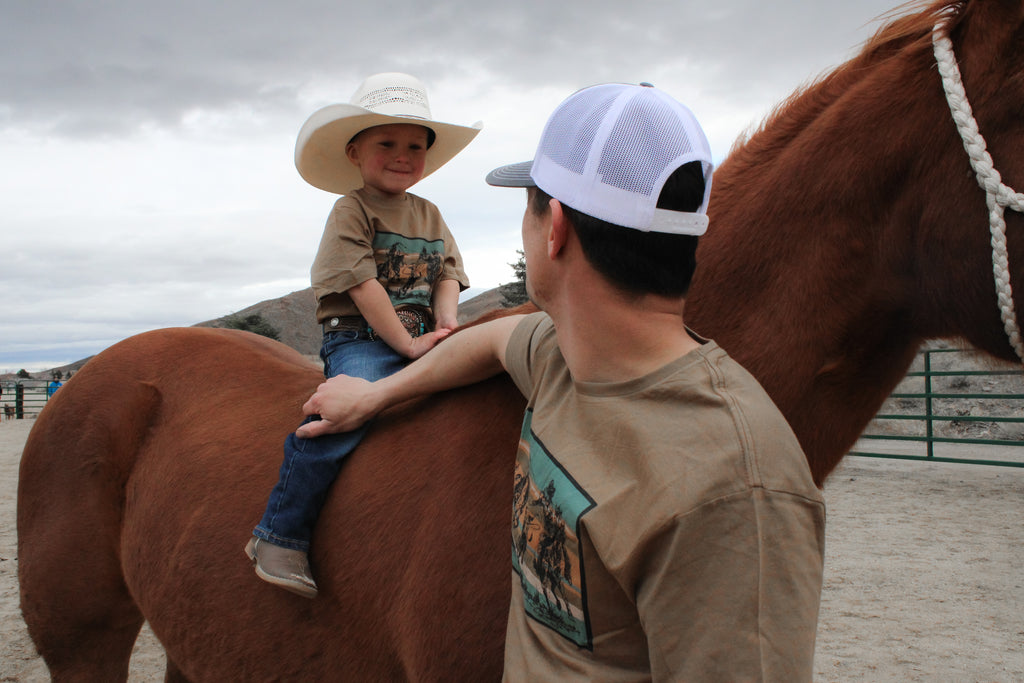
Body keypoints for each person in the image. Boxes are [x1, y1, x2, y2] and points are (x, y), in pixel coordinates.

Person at [298, 83, 825, 679]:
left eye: (528, 207)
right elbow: (494, 339)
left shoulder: (738, 493)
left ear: (556, 230)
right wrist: (378, 394)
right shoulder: (564, 353)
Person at [246, 72, 482, 598]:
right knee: (343, 416)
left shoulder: (430, 213)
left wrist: (447, 328)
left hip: (421, 334)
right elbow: (361, 283)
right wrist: (408, 346)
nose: (403, 155)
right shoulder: (351, 209)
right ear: (355, 152)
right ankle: (281, 533)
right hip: (360, 337)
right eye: (387, 143)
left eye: (415, 146)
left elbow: (448, 274)